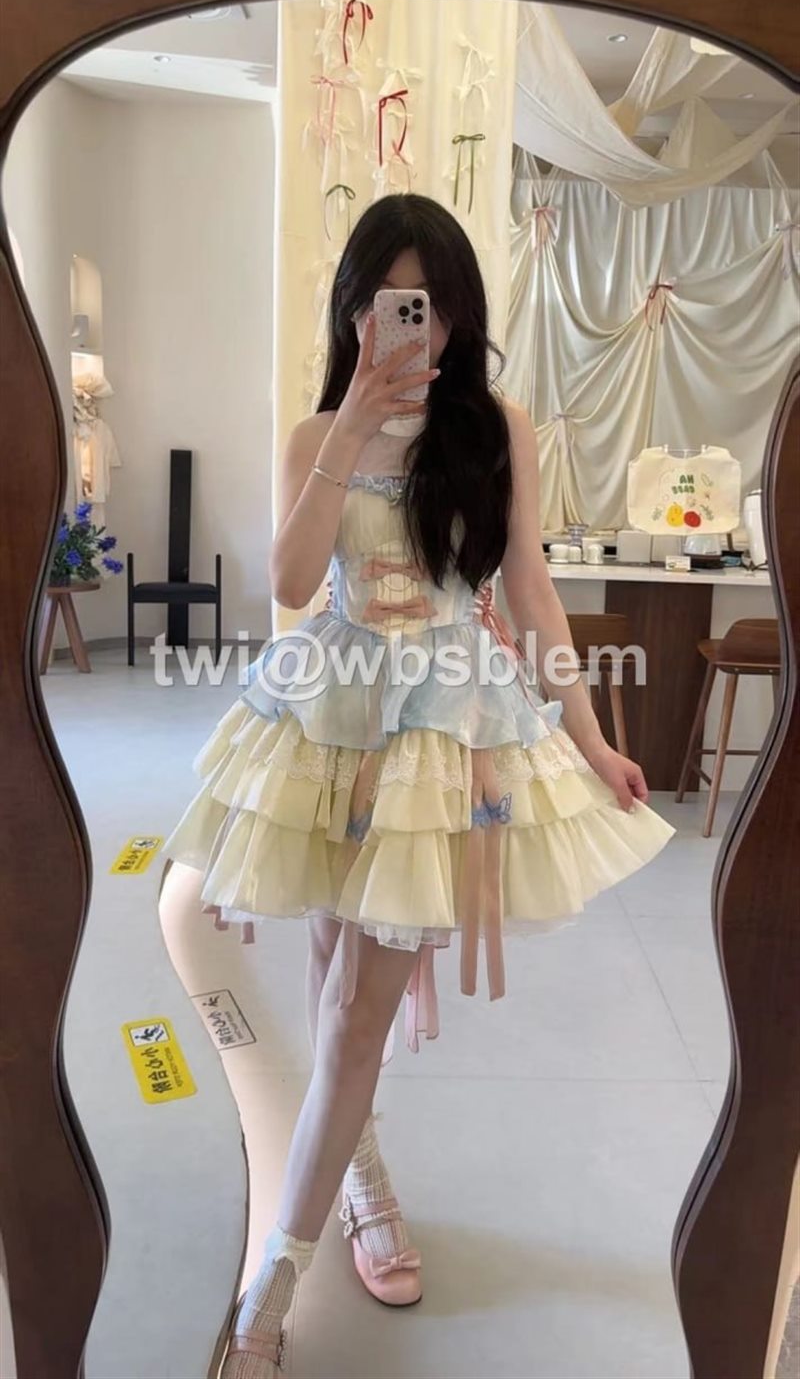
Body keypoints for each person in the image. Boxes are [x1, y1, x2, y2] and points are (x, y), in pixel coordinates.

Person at [161, 193, 675, 1377]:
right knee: (329, 961)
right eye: (389, 303)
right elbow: (294, 583)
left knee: (355, 1008)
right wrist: (345, 433)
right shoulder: (313, 433)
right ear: (353, 310)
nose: (413, 327)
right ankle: (361, 1175)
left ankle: (270, 1293)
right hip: (327, 719)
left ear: (458, 316)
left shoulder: (495, 429)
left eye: (431, 305)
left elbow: (530, 590)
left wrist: (589, 737)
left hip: (442, 733)